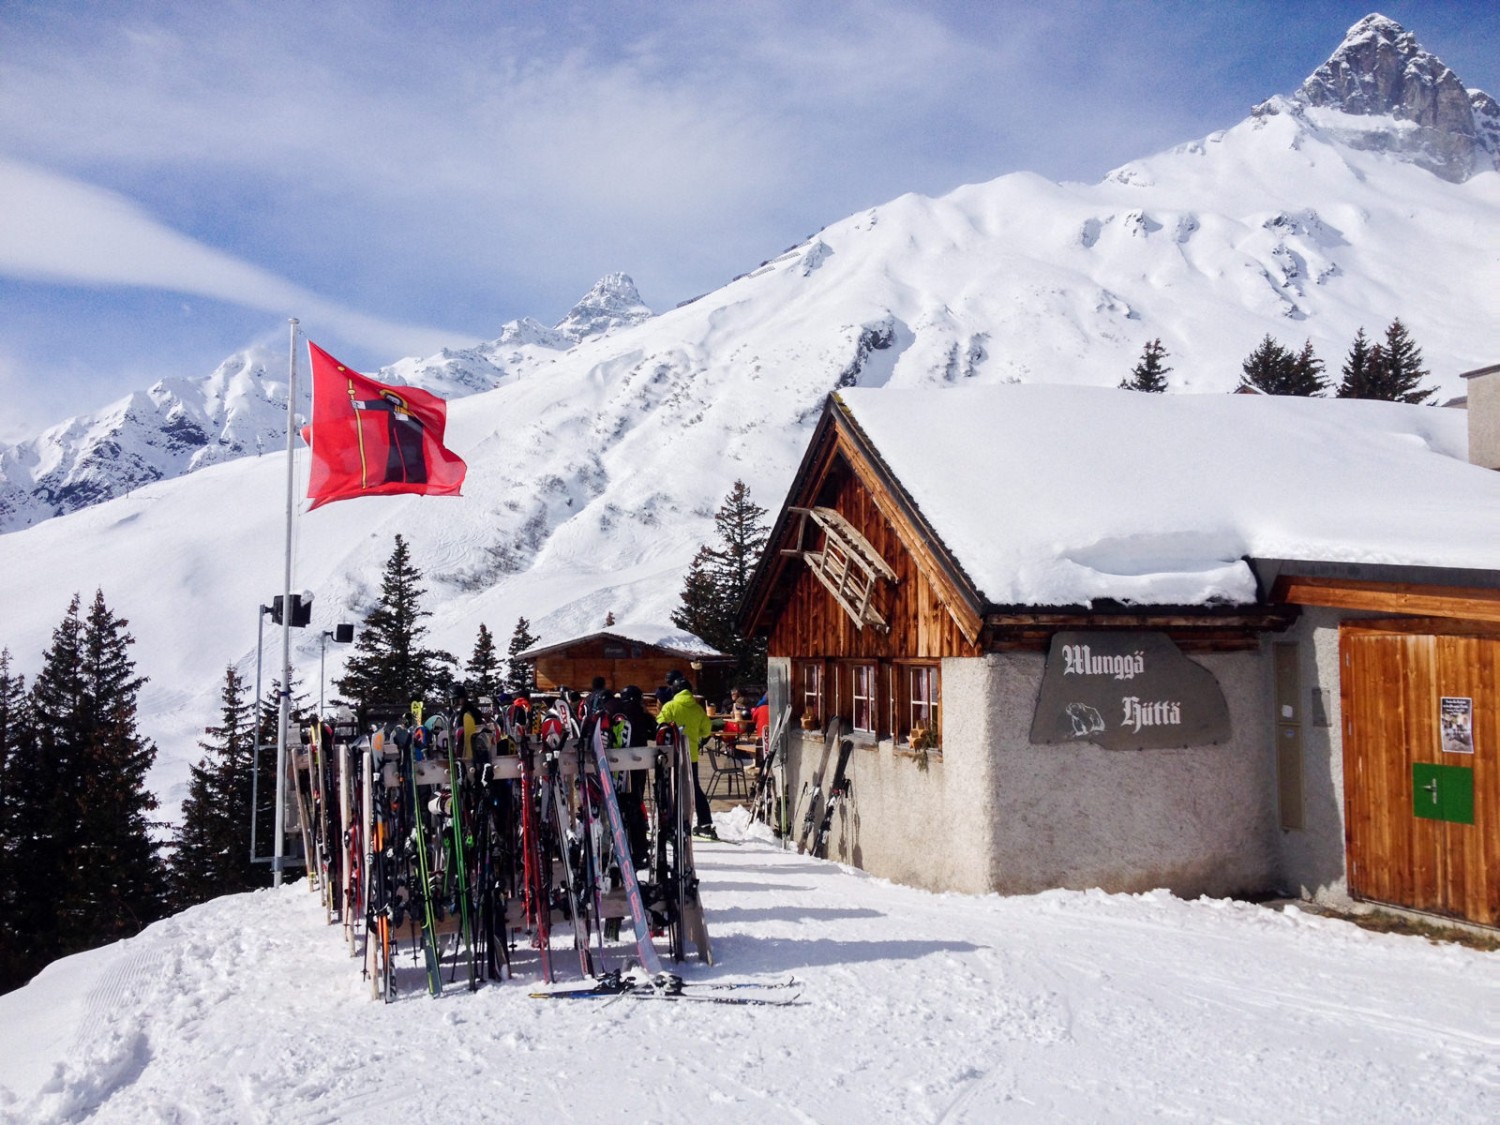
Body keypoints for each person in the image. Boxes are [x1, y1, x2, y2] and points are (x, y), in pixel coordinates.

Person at [656, 677, 716, 838]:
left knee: (671, 787)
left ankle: (672, 821)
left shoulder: (670, 706)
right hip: (692, 755)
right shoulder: (697, 709)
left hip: (672, 753)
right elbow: (706, 730)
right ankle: (705, 822)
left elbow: (660, 726)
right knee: (694, 787)